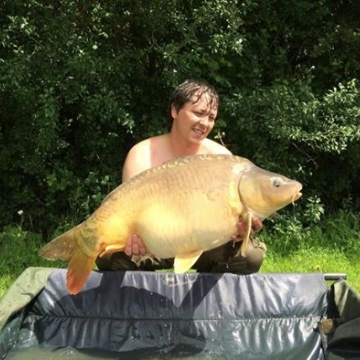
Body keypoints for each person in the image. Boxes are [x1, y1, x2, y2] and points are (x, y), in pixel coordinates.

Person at [96, 79, 267, 273]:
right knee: (107, 256)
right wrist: (133, 238)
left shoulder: (222, 159)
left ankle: (208, 298)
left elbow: (232, 218)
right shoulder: (143, 153)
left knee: (250, 257)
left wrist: (239, 231)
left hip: (204, 244)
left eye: (211, 117)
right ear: (175, 111)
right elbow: (128, 213)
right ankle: (140, 298)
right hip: (155, 244)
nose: (205, 123)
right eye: (199, 113)